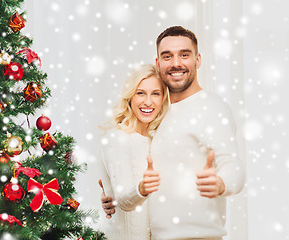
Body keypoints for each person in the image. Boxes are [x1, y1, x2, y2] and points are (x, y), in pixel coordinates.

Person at [100, 26, 245, 240]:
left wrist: (222, 183)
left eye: (184, 55)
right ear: (158, 64)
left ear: (198, 60)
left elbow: (234, 166)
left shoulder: (212, 108)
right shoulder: (159, 114)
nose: (176, 63)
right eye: (167, 56)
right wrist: (113, 196)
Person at [98, 64, 169, 240]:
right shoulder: (117, 138)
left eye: (155, 94)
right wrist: (142, 188)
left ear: (163, 99)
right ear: (130, 97)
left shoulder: (156, 141)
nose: (148, 102)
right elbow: (123, 200)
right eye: (140, 93)